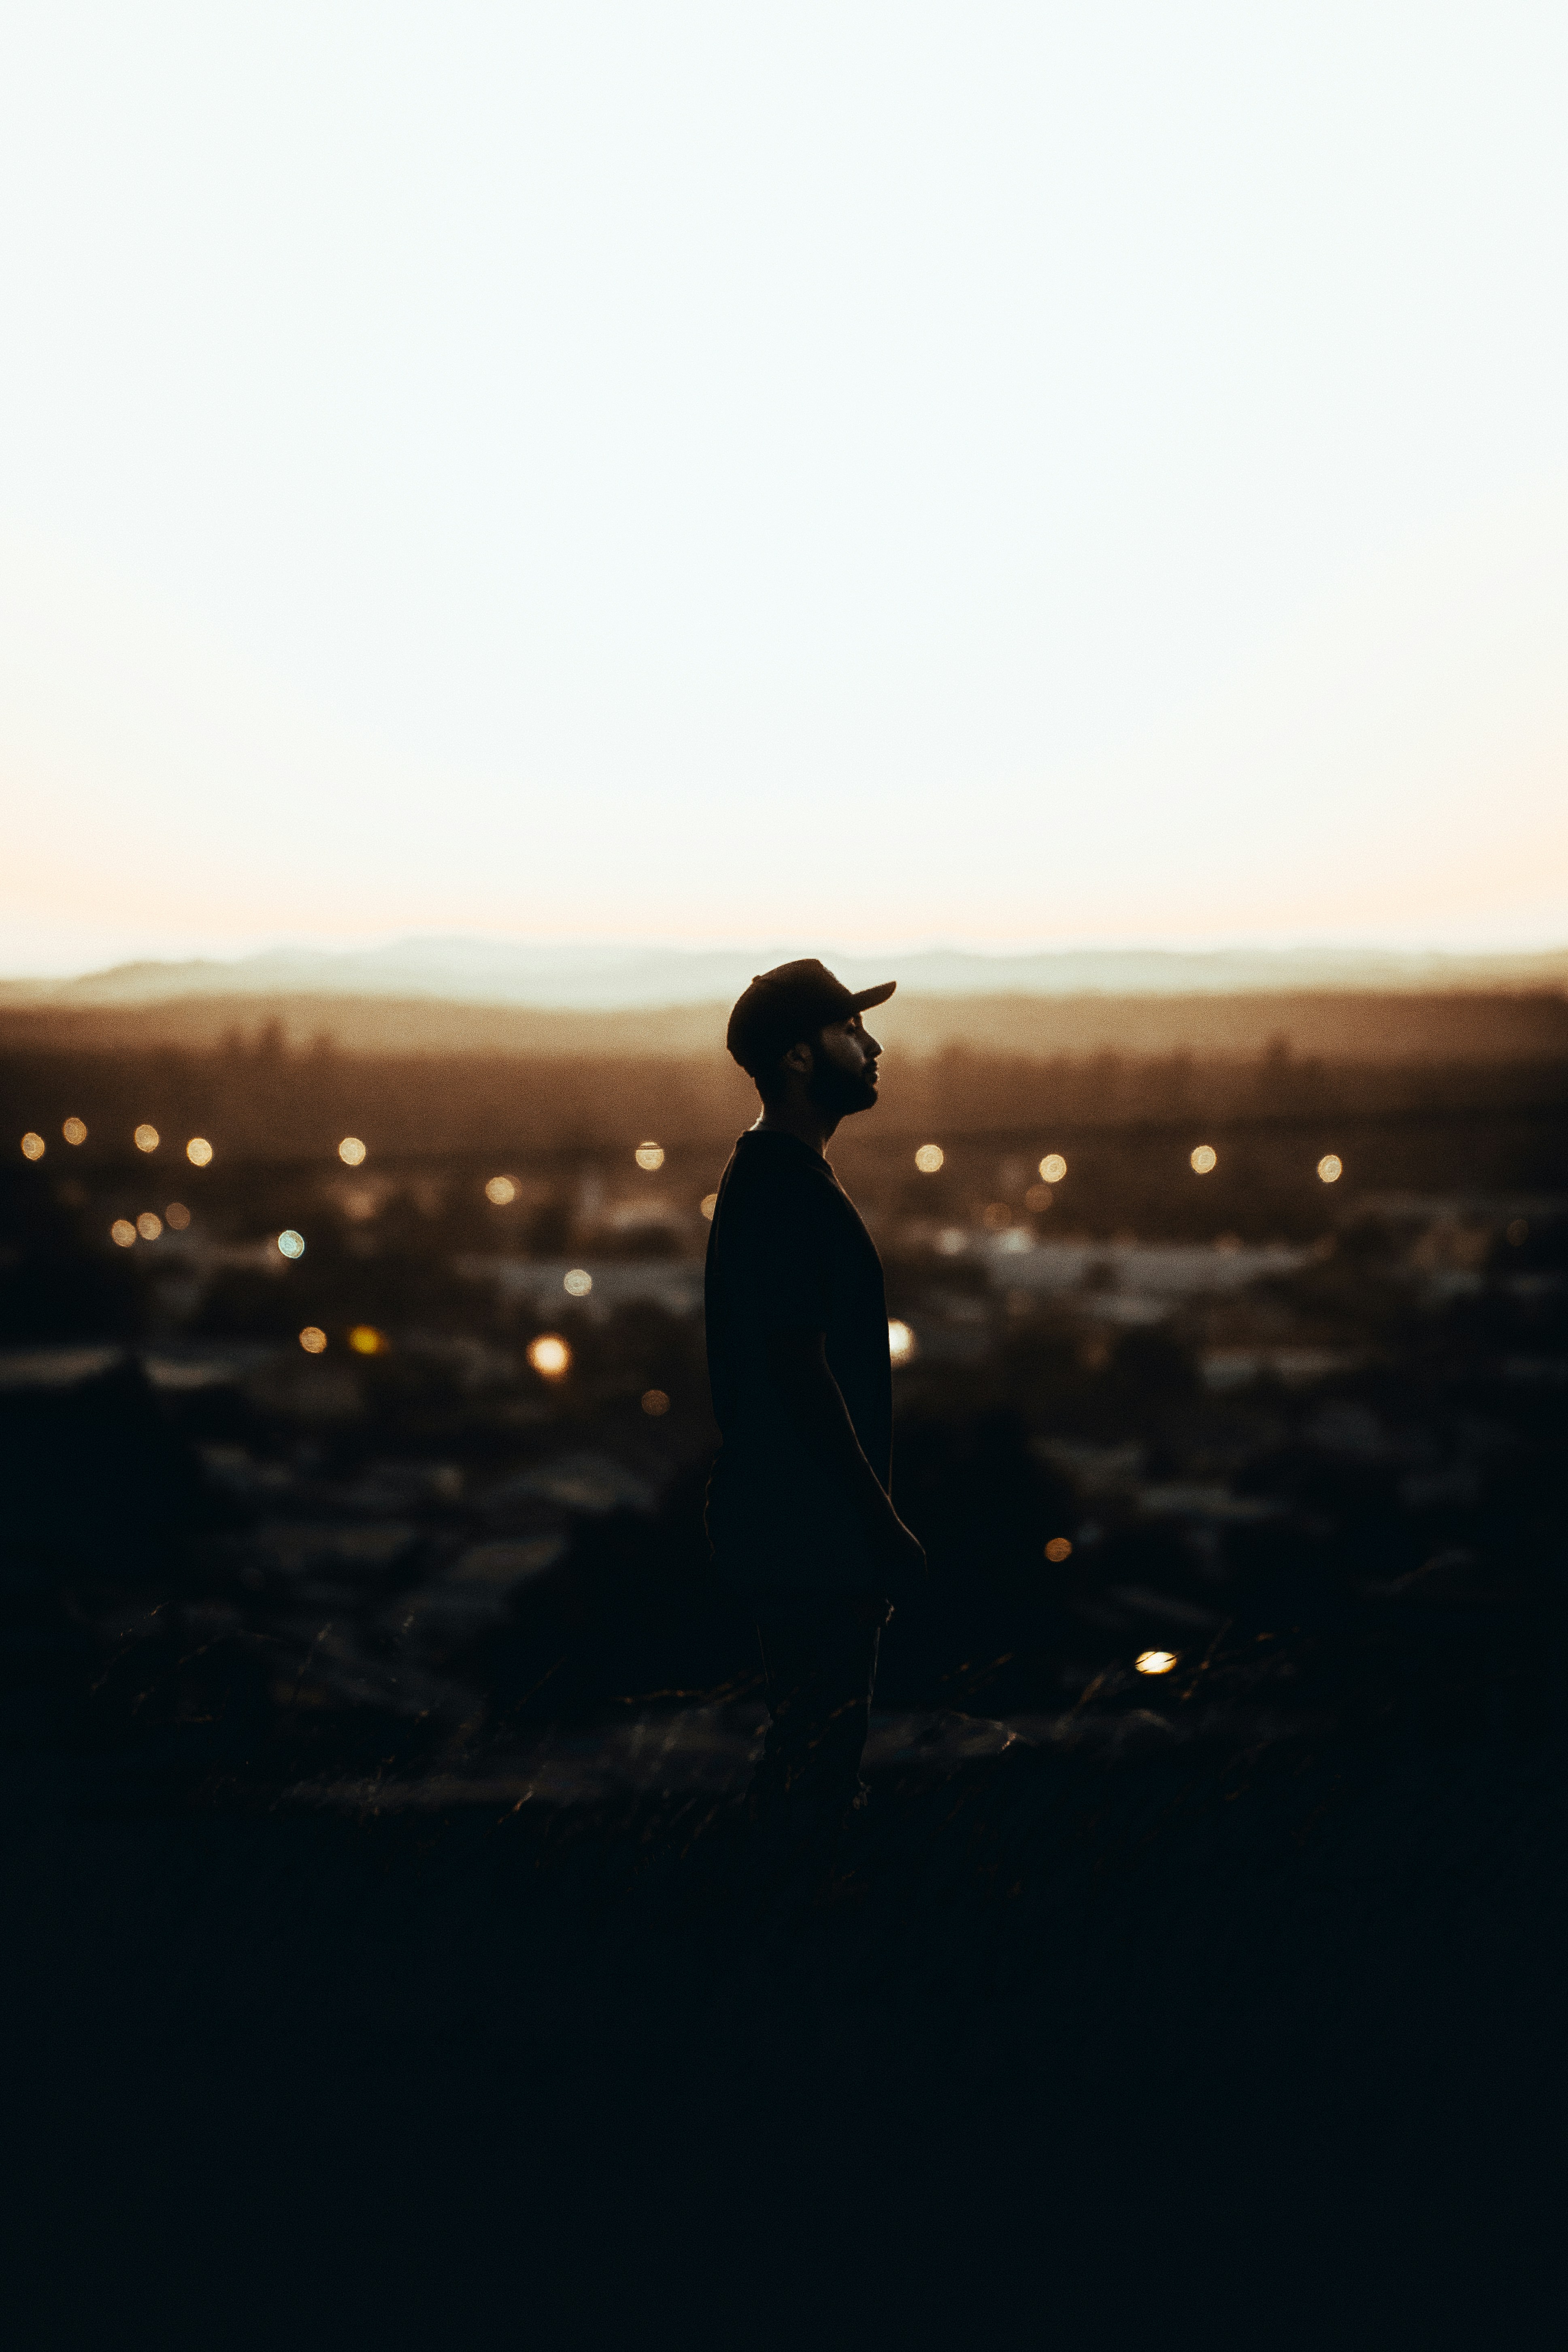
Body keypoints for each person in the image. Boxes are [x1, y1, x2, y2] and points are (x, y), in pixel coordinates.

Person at [704, 958, 926, 1889]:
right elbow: (799, 1369)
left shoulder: (777, 1177)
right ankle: (782, 1953)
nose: (872, 1047)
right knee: (814, 1767)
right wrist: (876, 1518)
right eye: (849, 1032)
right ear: (800, 1056)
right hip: (808, 1530)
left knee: (810, 1756)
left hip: (799, 1524)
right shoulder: (785, 1188)